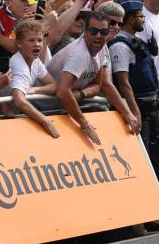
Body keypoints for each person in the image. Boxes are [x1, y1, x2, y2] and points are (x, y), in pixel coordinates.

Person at [46, 8, 140, 145]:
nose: (98, 36)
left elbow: (102, 85)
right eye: (93, 31)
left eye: (103, 32)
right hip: (43, 107)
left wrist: (128, 114)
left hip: (62, 107)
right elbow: (62, 92)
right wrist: (85, 124)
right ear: (85, 32)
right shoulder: (79, 54)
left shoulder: (101, 48)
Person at [8, 18, 59, 138]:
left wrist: (35, 90)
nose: (37, 44)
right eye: (31, 40)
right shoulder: (17, 63)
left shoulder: (36, 61)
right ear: (19, 43)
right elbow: (19, 101)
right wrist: (44, 120)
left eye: (40, 40)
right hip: (1, 116)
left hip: (17, 115)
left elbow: (53, 85)